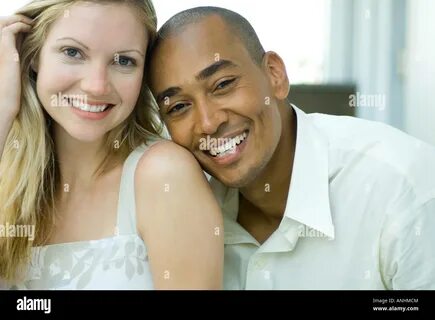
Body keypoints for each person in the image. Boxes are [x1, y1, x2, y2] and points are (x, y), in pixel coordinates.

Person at [146, 6, 435, 289]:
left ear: (275, 75)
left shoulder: (403, 187)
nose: (208, 122)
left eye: (222, 85)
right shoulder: (187, 216)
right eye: (179, 106)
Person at [0, 0, 223, 290]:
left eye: (123, 61)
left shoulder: (163, 175)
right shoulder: (7, 169)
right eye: (73, 52)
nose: (97, 86)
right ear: (32, 55)